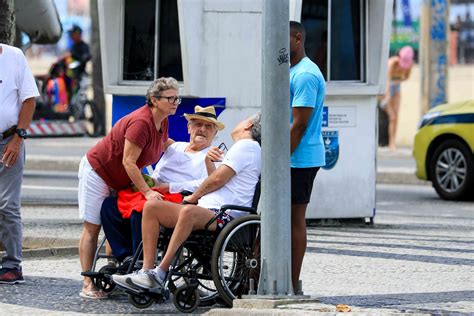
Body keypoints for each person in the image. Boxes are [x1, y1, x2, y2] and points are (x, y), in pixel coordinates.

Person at [112, 113, 262, 290]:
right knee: (152, 207)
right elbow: (216, 178)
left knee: (189, 211)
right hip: (210, 209)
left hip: (226, 214)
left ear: (249, 126)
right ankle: (146, 270)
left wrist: (193, 197)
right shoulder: (241, 148)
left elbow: (216, 181)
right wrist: (208, 162)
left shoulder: (246, 146)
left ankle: (160, 273)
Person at [78, 77, 179, 299]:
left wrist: (191, 150)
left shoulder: (163, 120)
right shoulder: (140, 122)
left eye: (176, 98)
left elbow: (161, 144)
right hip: (99, 171)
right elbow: (128, 161)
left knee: (118, 212)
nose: (175, 102)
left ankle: (122, 264)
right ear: (154, 99)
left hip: (121, 176)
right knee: (93, 226)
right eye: (170, 98)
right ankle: (87, 283)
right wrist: (147, 191)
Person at [101, 105, 225, 261]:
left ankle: (140, 259)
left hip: (180, 197)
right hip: (153, 191)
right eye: (198, 124)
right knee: (109, 205)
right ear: (189, 128)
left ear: (215, 132)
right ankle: (124, 256)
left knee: (141, 210)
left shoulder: (214, 156)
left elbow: (208, 183)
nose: (202, 129)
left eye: (208, 126)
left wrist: (169, 186)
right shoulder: (174, 147)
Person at [289, 21, 326, 293]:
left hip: (299, 159)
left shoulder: (305, 75)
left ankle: (291, 283)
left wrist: (279, 160)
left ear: (298, 38)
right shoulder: (289, 70)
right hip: (289, 156)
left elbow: (299, 124)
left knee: (294, 219)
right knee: (273, 219)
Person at [0, 44, 39, 284]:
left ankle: (13, 264)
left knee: (7, 205)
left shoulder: (14, 56)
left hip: (8, 139)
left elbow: (28, 99)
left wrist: (18, 139)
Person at [381, 45, 414, 151]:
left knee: (396, 117)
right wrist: (387, 96)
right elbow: (386, 82)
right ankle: (389, 142)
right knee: (392, 117)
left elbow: (406, 78)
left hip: (396, 89)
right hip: (386, 90)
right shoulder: (391, 63)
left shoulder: (409, 66)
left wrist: (397, 82)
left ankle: (392, 142)